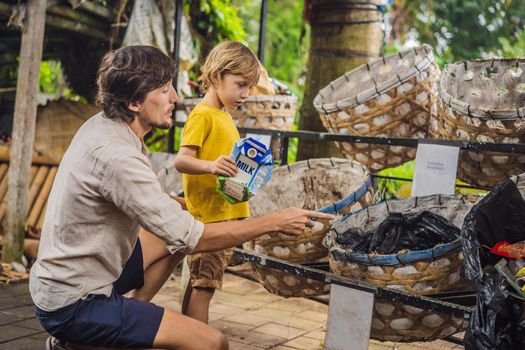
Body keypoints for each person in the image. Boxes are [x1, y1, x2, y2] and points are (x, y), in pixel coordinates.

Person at [29, 45, 333, 350]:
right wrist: (273, 222)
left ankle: (101, 333)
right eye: (163, 90)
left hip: (74, 278)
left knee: (172, 233)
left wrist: (170, 203)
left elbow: (125, 196)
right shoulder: (118, 155)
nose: (175, 97)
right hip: (74, 303)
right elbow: (194, 239)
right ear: (135, 101)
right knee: (213, 343)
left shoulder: (104, 126)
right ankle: (89, 334)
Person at [174, 40, 259, 324]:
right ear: (215, 77)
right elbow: (182, 160)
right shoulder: (202, 115)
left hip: (224, 215)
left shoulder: (223, 115)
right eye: (240, 84)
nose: (246, 94)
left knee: (200, 283)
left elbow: (224, 166)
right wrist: (211, 166)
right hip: (212, 220)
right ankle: (197, 341)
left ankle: (186, 338)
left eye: (249, 87)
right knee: (204, 286)